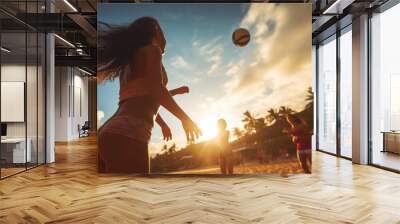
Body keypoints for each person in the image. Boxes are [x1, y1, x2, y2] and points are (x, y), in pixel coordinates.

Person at [97, 17, 202, 173]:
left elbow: (143, 95)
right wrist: (185, 118)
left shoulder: (129, 61)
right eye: (162, 31)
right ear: (156, 31)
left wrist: (164, 122)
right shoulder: (152, 49)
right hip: (128, 132)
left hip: (108, 132)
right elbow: (155, 90)